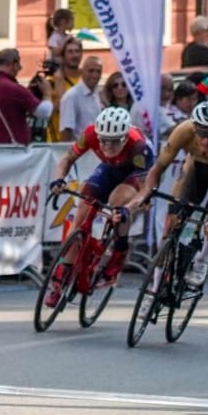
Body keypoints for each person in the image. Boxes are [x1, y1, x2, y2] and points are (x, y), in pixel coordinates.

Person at [133, 101, 208, 290]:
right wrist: (146, 195)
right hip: (195, 167)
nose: (206, 141)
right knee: (170, 225)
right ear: (194, 128)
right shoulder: (183, 131)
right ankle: (156, 285)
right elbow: (158, 169)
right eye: (202, 134)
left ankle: (203, 258)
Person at [52, 107, 153, 286]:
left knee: (117, 200)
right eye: (103, 141)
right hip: (110, 168)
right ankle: (64, 269)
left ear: (125, 138)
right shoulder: (90, 134)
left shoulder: (138, 146)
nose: (107, 146)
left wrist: (131, 207)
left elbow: (146, 187)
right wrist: (59, 180)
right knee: (81, 212)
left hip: (135, 174)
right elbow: (67, 159)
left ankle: (119, 252)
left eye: (114, 142)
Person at [0, 48, 52, 145]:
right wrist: (47, 93)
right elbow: (44, 112)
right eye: (19, 66)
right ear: (13, 64)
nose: (19, 70)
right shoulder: (15, 89)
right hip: (12, 150)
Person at [41, 36, 85, 141]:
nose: (74, 55)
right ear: (63, 56)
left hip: (81, 140)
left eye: (77, 51)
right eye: (70, 52)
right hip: (56, 141)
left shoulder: (86, 78)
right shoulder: (52, 81)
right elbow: (45, 111)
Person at [56, 57, 104, 143]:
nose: (95, 75)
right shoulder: (72, 96)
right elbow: (66, 131)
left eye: (98, 71)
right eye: (91, 71)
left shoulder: (96, 94)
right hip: (79, 152)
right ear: (82, 72)